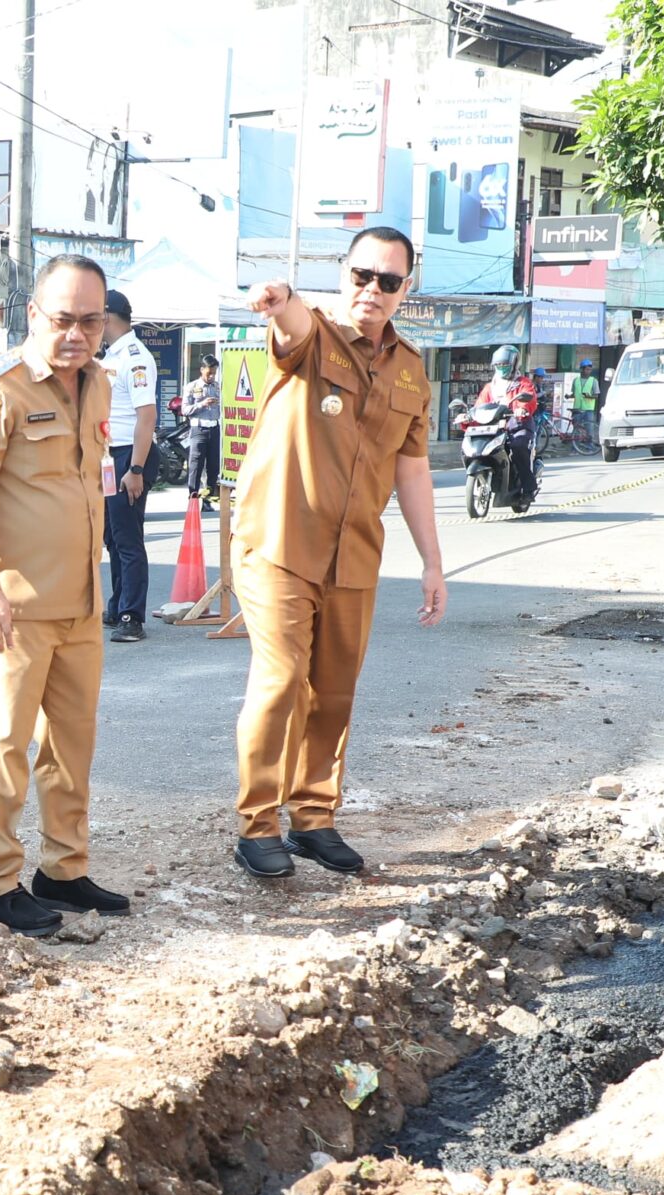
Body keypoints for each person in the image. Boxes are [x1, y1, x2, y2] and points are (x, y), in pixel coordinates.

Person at [230, 229, 444, 882]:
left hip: (352, 551)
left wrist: (433, 562)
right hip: (279, 542)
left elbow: (411, 470)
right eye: (361, 275)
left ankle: (314, 818)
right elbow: (289, 321)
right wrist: (281, 296)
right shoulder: (313, 334)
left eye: (388, 281)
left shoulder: (410, 367)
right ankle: (258, 824)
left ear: (407, 289)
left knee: (334, 691)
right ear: (342, 273)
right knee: (282, 678)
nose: (372, 290)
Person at [0, 254, 129, 938]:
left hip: (81, 600)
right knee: (2, 744)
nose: (78, 333)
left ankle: (63, 869)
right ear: (34, 315)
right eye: (63, 319)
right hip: (14, 608)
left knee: (72, 745)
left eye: (91, 320)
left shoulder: (100, 384)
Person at [98, 289, 157, 643]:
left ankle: (131, 616)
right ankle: (118, 602)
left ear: (106, 316)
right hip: (110, 457)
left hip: (129, 457)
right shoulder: (112, 355)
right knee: (113, 536)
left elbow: (146, 416)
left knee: (129, 539)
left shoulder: (135, 357)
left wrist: (135, 470)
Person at [476, 346, 539, 504]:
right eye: (499, 365)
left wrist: (522, 409)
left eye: (505, 365)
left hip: (519, 425)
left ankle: (528, 489)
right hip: (495, 428)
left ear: (514, 365)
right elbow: (480, 405)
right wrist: (468, 415)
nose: (502, 368)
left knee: (518, 447)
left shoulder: (523, 383)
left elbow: (529, 399)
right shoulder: (490, 387)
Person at [182, 355, 222, 498]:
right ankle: (193, 497)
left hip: (215, 428)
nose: (211, 376)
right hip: (198, 429)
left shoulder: (218, 386)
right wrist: (202, 404)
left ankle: (208, 500)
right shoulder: (192, 387)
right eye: (208, 373)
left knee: (213, 466)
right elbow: (185, 410)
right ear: (202, 370)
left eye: (214, 373)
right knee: (196, 465)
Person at [570, 359, 599, 450]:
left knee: (589, 428)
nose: (588, 371)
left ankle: (589, 445)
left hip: (588, 409)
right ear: (581, 369)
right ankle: (575, 446)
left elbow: (596, 395)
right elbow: (574, 393)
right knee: (576, 428)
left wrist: (589, 396)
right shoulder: (576, 380)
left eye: (589, 369)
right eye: (586, 369)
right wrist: (569, 396)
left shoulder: (593, 381)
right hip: (577, 408)